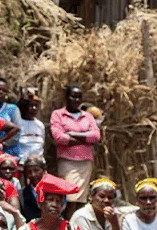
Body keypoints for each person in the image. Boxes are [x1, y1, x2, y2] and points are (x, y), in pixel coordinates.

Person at [49, 85, 102, 216]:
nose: (76, 99)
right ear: (67, 97)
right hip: (67, 161)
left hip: (85, 162)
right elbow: (59, 138)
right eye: (73, 96)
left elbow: (96, 136)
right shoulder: (58, 114)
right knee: (70, 197)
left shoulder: (87, 116)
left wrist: (72, 134)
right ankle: (68, 226)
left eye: (79, 97)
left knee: (81, 198)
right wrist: (85, 138)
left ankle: (77, 227)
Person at [0, 77, 22, 155]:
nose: (1, 92)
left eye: (4, 91)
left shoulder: (12, 109)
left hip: (9, 153)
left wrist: (2, 144)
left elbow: (18, 133)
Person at [15, 87, 46, 161]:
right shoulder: (16, 124)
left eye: (36, 106)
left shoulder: (40, 125)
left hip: (38, 163)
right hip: (21, 163)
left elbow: (41, 145)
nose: (34, 108)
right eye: (31, 105)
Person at [19, 154, 46, 221]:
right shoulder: (22, 194)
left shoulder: (53, 190)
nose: (33, 175)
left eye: (36, 170)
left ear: (43, 170)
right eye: (29, 172)